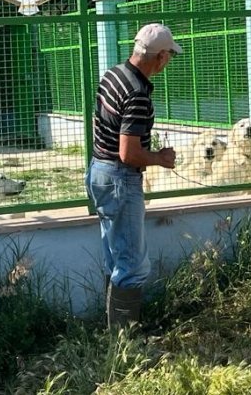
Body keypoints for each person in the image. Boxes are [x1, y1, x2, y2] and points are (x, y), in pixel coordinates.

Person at [85, 23, 181, 329]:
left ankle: (114, 332)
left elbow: (98, 122)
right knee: (133, 266)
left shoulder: (113, 74)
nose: (168, 62)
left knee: (115, 258)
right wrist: (160, 159)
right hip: (120, 177)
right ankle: (125, 340)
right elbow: (129, 153)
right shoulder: (139, 94)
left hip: (99, 171)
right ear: (161, 56)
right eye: (169, 56)